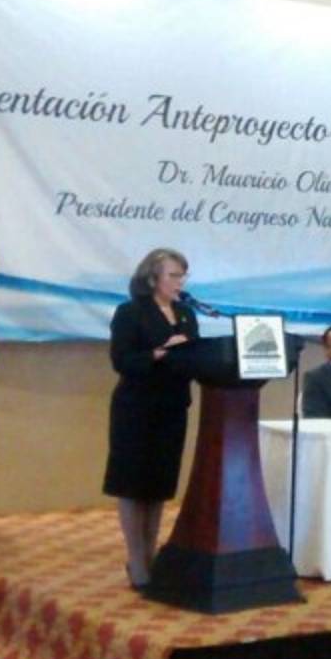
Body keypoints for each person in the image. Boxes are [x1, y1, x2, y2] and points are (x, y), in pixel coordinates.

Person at [103, 248, 199, 590]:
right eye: (173, 275)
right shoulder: (130, 312)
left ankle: (150, 553)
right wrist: (159, 353)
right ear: (152, 278)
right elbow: (122, 360)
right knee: (133, 484)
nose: (179, 282)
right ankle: (136, 558)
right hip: (137, 407)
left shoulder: (186, 313)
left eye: (182, 275)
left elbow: (195, 355)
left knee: (158, 485)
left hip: (172, 406)